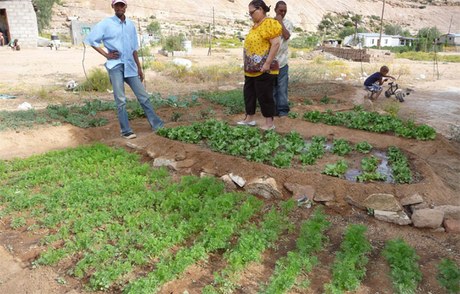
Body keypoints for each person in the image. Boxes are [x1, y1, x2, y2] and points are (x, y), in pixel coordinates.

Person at [84, 0, 163, 139]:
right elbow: (91, 40)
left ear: (126, 7)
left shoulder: (130, 26)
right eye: (117, 5)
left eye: (122, 5)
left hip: (131, 66)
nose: (119, 7)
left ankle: (157, 124)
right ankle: (126, 130)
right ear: (112, 7)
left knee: (143, 96)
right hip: (115, 66)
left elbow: (134, 49)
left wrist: (139, 68)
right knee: (120, 99)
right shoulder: (106, 24)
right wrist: (106, 55)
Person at [238, 0, 282, 130]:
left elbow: (276, 44)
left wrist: (267, 64)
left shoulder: (269, 24)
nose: (251, 15)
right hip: (251, 69)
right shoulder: (256, 26)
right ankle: (249, 118)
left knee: (265, 96)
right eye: (249, 13)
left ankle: (269, 123)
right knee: (249, 94)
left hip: (264, 69)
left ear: (261, 10)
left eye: (252, 12)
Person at [273, 1, 293, 117]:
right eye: (281, 10)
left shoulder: (288, 23)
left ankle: (283, 111)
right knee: (272, 89)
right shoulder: (269, 22)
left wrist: (280, 22)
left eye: (285, 10)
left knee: (282, 88)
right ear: (275, 10)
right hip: (271, 62)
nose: (283, 12)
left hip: (282, 62)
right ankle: (273, 111)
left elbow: (286, 36)